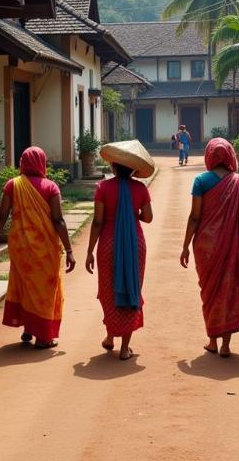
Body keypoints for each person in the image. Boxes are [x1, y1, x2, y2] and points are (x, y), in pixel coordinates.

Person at [180, 137, 239, 358]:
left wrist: (185, 246)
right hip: (232, 243)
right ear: (229, 156)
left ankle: (212, 341)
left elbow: (194, 217)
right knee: (231, 290)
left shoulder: (200, 180)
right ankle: (226, 345)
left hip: (205, 247)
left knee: (209, 292)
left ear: (209, 156)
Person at [0, 146, 75, 348]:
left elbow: (1, 216)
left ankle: (28, 328)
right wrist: (69, 250)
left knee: (25, 284)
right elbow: (58, 220)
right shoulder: (51, 187)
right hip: (45, 250)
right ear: (42, 163)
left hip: (20, 247)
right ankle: (43, 337)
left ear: (23, 163)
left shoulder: (13, 185)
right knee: (43, 290)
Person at [86, 140, 155, 360]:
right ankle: (125, 348)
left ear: (113, 167)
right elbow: (149, 217)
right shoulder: (140, 188)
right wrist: (131, 213)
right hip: (135, 244)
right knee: (131, 289)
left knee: (110, 291)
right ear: (134, 169)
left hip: (108, 245)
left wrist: (89, 251)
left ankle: (110, 336)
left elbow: (97, 222)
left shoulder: (103, 188)